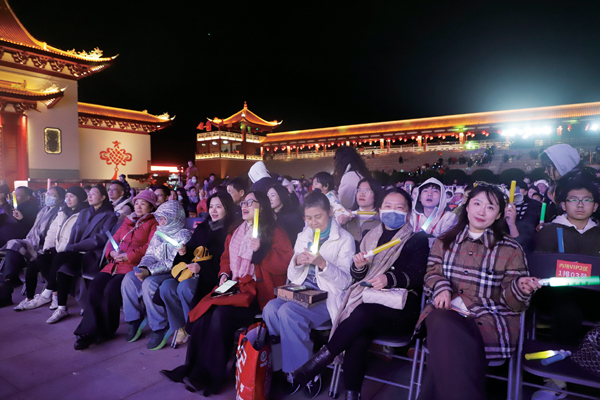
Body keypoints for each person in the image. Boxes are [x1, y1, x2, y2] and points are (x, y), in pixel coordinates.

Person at [293, 188, 430, 400]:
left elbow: (418, 275)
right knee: (358, 332)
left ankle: (319, 361)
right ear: (380, 210)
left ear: (409, 213)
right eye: (388, 206)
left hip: (400, 309)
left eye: (399, 207)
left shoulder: (417, 239)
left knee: (361, 314)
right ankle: (352, 395)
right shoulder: (370, 237)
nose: (392, 211)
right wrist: (359, 266)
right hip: (368, 301)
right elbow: (357, 278)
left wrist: (389, 279)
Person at [160, 191, 292, 396]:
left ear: (262, 206)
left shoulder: (274, 231)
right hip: (234, 287)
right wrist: (223, 274)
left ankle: (209, 377)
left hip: (258, 293)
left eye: (250, 202)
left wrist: (263, 251)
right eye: (243, 202)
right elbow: (226, 259)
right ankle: (192, 368)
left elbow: (284, 265)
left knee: (221, 315)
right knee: (205, 312)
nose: (244, 206)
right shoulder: (237, 231)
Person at [415, 183, 539, 400]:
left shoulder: (511, 249)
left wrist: (520, 288)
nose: (482, 211)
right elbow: (431, 274)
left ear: (499, 214)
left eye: (490, 207)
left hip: (488, 320)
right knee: (442, 321)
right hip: (446, 311)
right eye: (477, 204)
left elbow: (513, 304)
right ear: (467, 207)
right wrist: (441, 287)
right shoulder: (444, 241)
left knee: (444, 341)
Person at [264, 192, 354, 396]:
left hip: (328, 295)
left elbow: (345, 282)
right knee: (270, 309)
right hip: (303, 290)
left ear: (329, 212)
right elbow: (293, 276)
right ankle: (282, 367)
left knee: (288, 313)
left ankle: (307, 372)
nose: (313, 223)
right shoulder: (304, 236)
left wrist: (322, 263)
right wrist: (297, 262)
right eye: (309, 218)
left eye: (318, 217)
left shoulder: (344, 239)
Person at [72, 190, 159, 350]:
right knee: (95, 287)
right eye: (137, 203)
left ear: (151, 207)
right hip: (113, 265)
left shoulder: (154, 223)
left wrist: (128, 256)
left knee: (111, 290)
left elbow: (150, 247)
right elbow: (114, 239)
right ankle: (87, 331)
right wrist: (111, 253)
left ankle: (105, 331)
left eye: (143, 203)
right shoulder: (128, 220)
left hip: (131, 267)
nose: (138, 206)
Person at [157, 192, 235, 346]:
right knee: (166, 286)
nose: (213, 210)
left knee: (185, 287)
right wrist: (184, 252)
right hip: (191, 272)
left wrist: (202, 268)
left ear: (228, 208)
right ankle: (181, 325)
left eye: (219, 207)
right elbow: (192, 249)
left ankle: (195, 327)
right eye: (211, 206)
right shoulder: (203, 228)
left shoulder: (231, 230)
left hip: (213, 277)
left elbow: (227, 261)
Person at [121, 200, 192, 350]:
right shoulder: (159, 233)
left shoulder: (184, 234)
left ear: (174, 218)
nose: (160, 221)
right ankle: (133, 319)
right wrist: (142, 267)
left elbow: (173, 261)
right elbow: (150, 254)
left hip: (172, 273)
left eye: (164, 218)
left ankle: (159, 326)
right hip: (154, 270)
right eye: (159, 218)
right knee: (129, 278)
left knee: (149, 283)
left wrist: (149, 271)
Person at [47, 184, 118, 323]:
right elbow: (74, 233)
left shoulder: (110, 216)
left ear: (103, 197)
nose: (89, 196)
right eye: (89, 193)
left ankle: (48, 290)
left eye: (94, 194)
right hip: (77, 251)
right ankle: (61, 307)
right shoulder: (85, 212)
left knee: (60, 257)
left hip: (93, 255)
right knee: (62, 268)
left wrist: (73, 247)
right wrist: (70, 247)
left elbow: (100, 239)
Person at [17, 186, 88, 310]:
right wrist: (48, 248)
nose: (68, 199)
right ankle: (30, 298)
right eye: (67, 196)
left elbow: (75, 236)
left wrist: (58, 248)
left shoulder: (84, 214)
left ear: (80, 198)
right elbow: (52, 232)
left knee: (52, 261)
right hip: (58, 248)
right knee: (37, 262)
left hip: (71, 250)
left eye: (72, 196)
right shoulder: (63, 211)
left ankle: (51, 294)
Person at [0, 186, 65, 307]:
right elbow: (33, 229)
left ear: (61, 199)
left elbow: (51, 234)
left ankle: (9, 283)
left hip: (44, 245)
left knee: (17, 254)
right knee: (13, 244)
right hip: (31, 240)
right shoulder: (43, 210)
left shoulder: (60, 212)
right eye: (48, 194)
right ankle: (10, 280)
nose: (48, 197)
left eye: (53, 195)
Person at [337, 178, 384, 245]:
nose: (361, 194)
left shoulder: (381, 219)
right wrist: (339, 222)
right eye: (359, 190)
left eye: (367, 191)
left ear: (376, 194)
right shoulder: (346, 216)